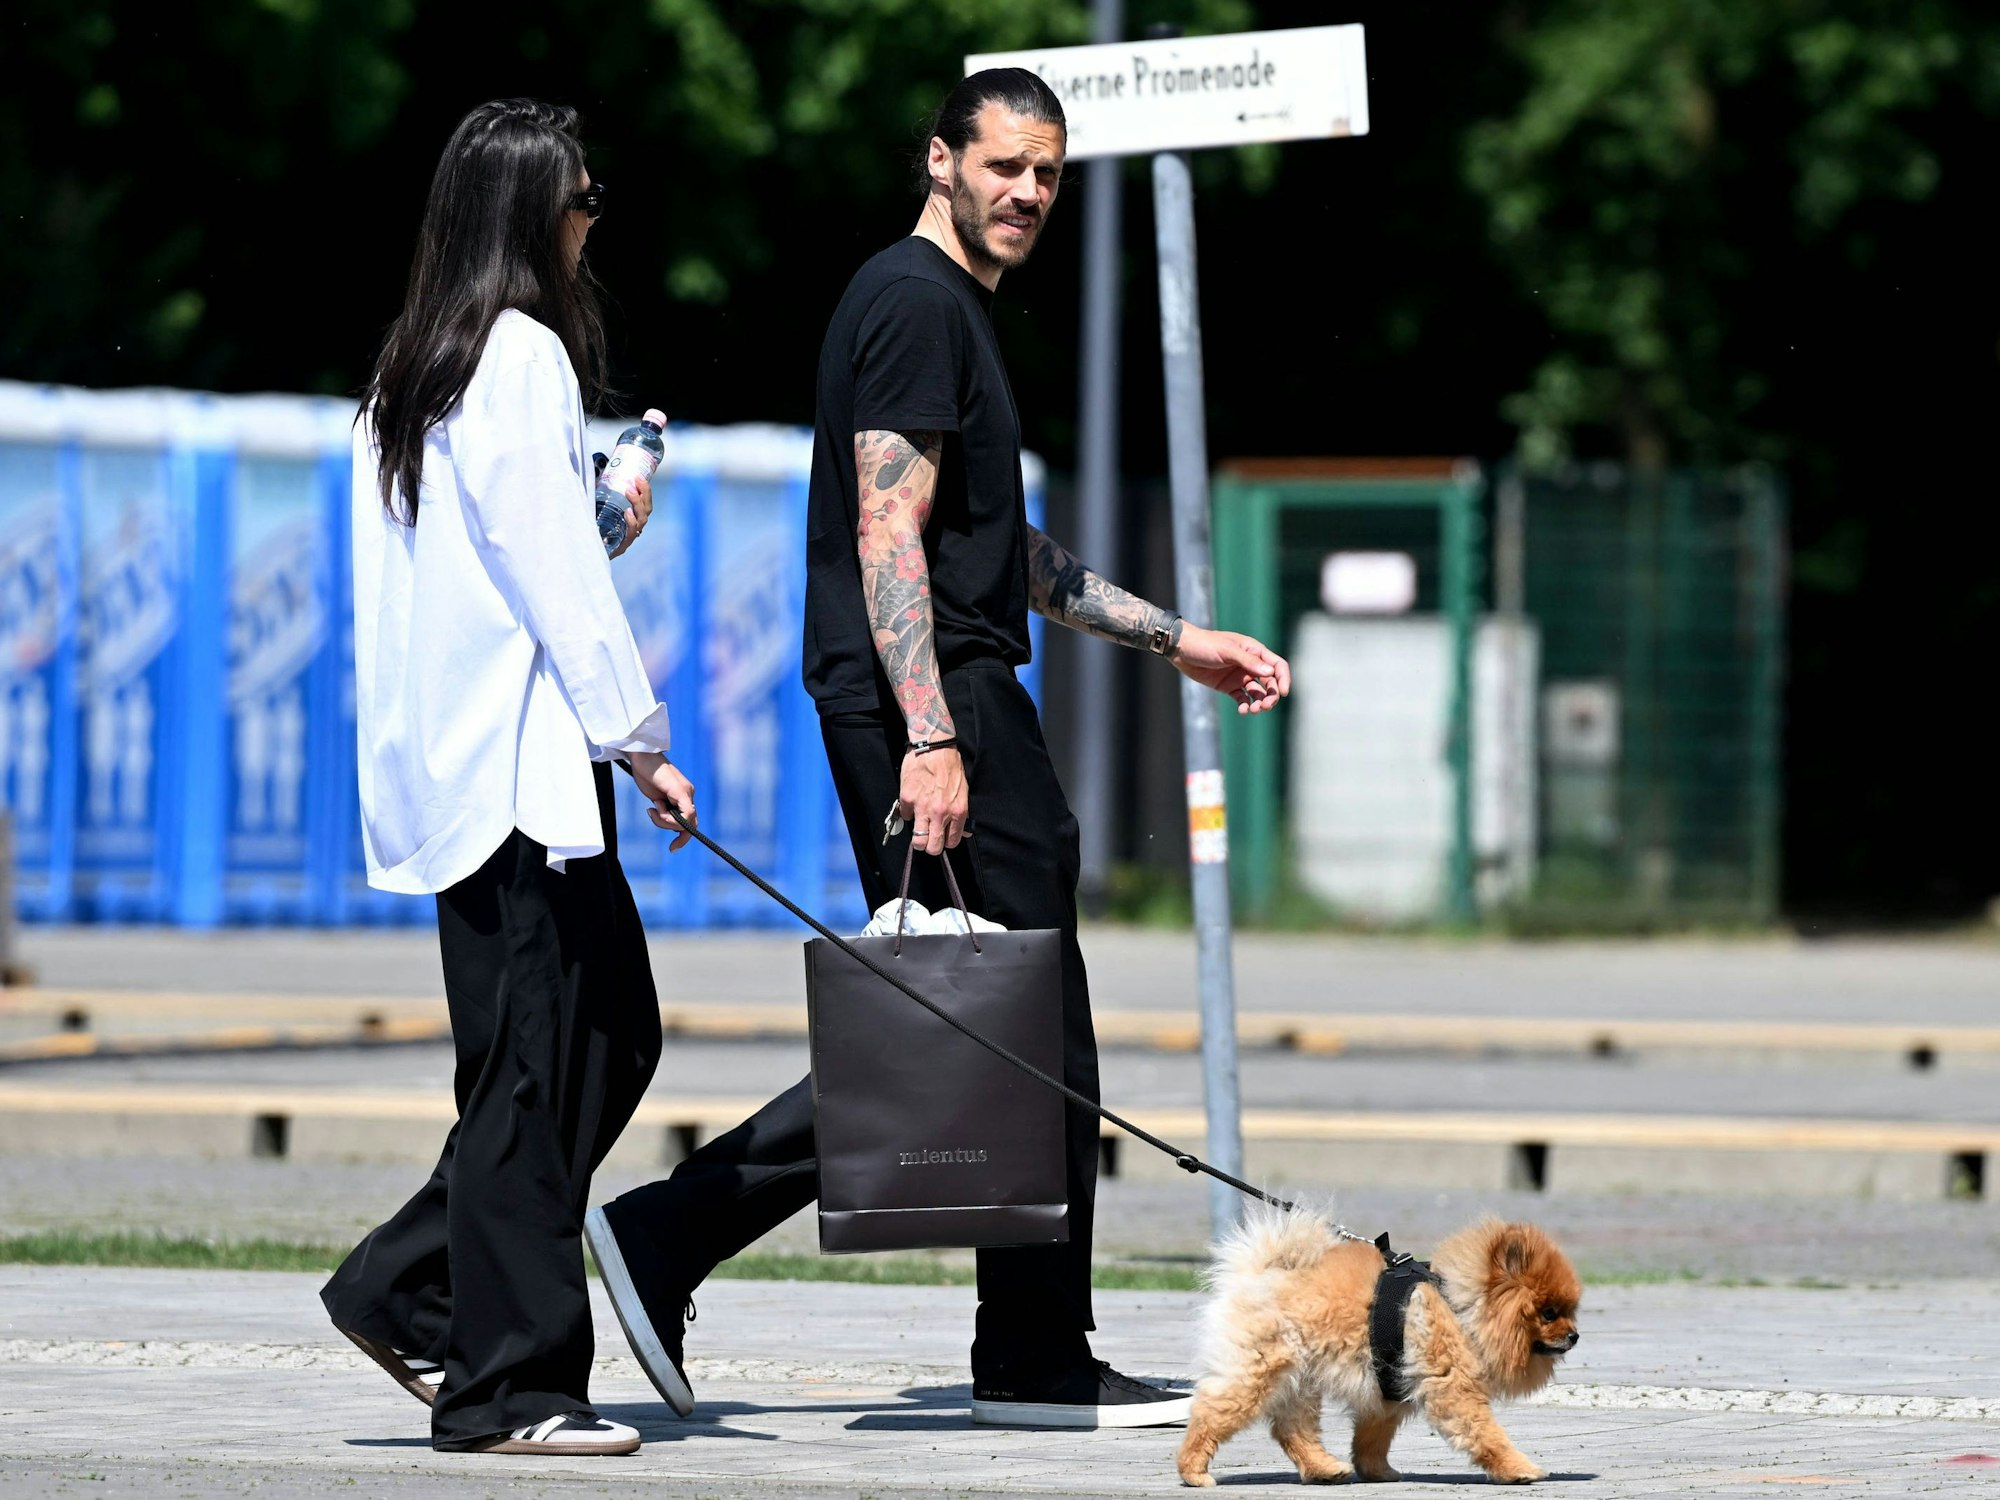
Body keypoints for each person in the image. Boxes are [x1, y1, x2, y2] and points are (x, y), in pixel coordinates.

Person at [584, 69, 1290, 1430]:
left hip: (951, 682)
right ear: (942, 160)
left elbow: (987, 543)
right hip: (934, 699)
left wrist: (1175, 637)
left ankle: (1023, 1345)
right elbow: (888, 533)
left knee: (1006, 1021)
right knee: (984, 1022)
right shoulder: (915, 303)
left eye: (1048, 174)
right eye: (1005, 166)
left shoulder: (943, 309)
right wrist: (932, 737)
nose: (1027, 192)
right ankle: (685, 1235)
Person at [319, 97, 697, 1458]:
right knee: (539, 1072)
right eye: (583, 199)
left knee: (597, 1040)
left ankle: (411, 1281)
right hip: (523, 776)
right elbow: (551, 581)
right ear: (532, 217)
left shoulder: (416, 367)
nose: (594, 222)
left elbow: (500, 559)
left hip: (464, 771)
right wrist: (639, 736)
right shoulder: (521, 351)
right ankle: (513, 1387)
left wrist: (606, 515)